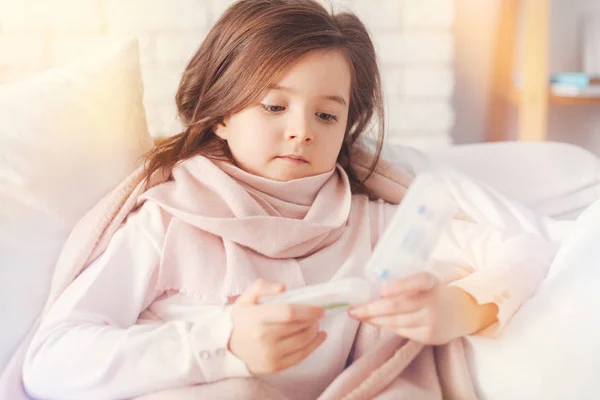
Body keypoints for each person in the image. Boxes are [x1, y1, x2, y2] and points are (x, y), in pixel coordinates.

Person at [21, 1, 555, 399]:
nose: (301, 131)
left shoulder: (369, 223)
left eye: (326, 115)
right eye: (274, 106)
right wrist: (221, 344)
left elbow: (529, 250)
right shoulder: (167, 221)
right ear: (223, 115)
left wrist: (461, 309)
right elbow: (51, 361)